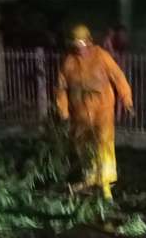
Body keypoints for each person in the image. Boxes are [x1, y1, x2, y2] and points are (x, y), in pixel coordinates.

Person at [56, 24, 133, 201]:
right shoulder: (68, 62)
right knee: (84, 146)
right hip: (80, 114)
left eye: (82, 43)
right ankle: (90, 177)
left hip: (102, 110)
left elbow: (118, 76)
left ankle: (106, 183)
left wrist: (126, 98)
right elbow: (61, 88)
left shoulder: (101, 56)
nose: (79, 47)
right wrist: (63, 111)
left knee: (104, 144)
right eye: (76, 44)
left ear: (89, 41)